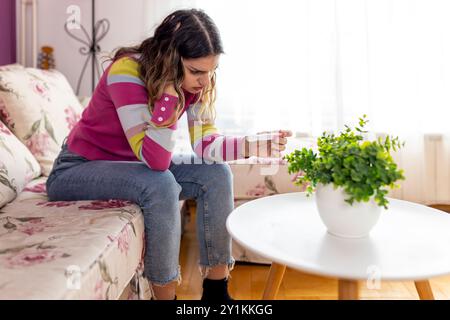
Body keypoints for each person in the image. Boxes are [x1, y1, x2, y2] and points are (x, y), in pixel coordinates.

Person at [46, 8, 292, 300]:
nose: (204, 81)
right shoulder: (126, 71)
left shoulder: (198, 82)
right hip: (77, 170)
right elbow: (156, 161)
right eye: (197, 71)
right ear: (171, 59)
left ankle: (216, 293)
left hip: (132, 166)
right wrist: (168, 100)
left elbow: (206, 146)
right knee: (161, 182)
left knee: (216, 174)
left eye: (211, 71)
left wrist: (251, 145)